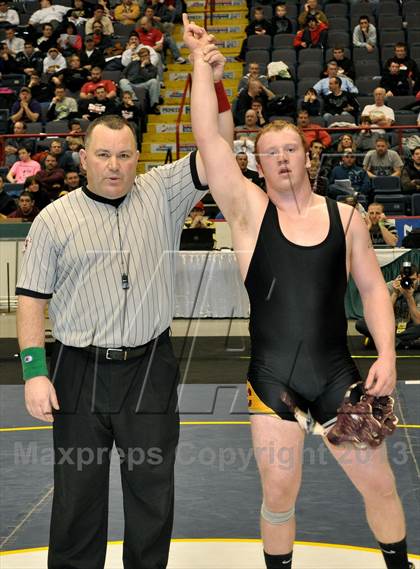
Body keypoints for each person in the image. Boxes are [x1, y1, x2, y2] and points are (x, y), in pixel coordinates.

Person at [185, 15, 413, 569]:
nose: (283, 158)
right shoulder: (246, 213)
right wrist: (203, 68)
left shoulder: (347, 217)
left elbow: (374, 289)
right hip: (272, 379)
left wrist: (385, 352)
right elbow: (209, 140)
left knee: (379, 486)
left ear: (307, 156)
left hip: (337, 374)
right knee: (279, 494)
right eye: (271, 152)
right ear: (257, 165)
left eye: (291, 149)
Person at [16, 80, 233, 564]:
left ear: (138, 157)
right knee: (77, 491)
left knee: (152, 490)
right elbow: (31, 299)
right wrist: (33, 370)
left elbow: (217, 146)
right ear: (84, 158)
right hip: (77, 370)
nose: (114, 165)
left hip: (149, 367)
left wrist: (212, 79)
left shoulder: (162, 194)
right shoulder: (53, 219)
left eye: (124, 155)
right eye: (103, 155)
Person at [356, 263, 420, 349]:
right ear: (400, 277)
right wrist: (395, 294)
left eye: (413, 280)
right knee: (361, 323)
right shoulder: (390, 287)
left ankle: (381, 341)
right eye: (406, 279)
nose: (409, 283)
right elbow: (380, 316)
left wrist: (409, 298)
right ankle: (405, 343)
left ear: (418, 277)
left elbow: (418, 322)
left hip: (408, 328)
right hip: (388, 327)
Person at [119, 47, 161, 114]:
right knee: (122, 81)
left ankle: (154, 106)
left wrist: (142, 67)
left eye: (146, 55)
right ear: (139, 57)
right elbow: (123, 74)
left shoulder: (153, 68)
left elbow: (149, 77)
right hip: (131, 84)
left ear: (149, 55)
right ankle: (135, 100)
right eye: (142, 56)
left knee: (154, 81)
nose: (144, 58)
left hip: (144, 84)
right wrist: (126, 79)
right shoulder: (133, 63)